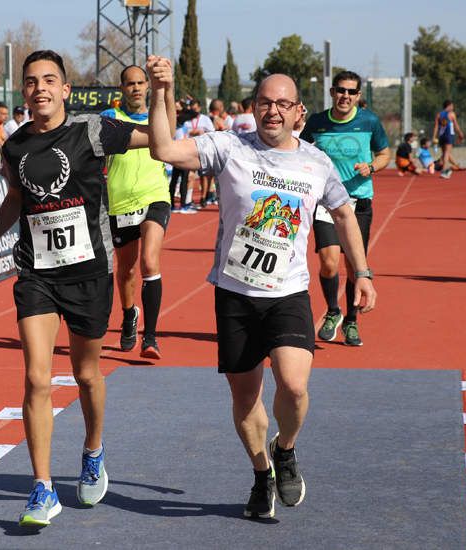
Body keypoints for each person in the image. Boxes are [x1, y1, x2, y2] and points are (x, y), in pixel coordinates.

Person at [146, 58, 376, 519]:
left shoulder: (316, 162)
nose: (273, 111)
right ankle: (261, 473)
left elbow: (346, 214)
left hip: (288, 292)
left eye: (282, 104)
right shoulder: (229, 146)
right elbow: (164, 151)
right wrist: (159, 91)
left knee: (293, 385)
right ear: (254, 108)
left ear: (299, 113)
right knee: (245, 398)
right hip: (234, 293)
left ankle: (285, 448)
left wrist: (363, 273)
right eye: (265, 102)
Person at [0, 49, 171, 528]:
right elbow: (15, 199)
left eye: (49, 80)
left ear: (65, 89)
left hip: (88, 272)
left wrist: (162, 93)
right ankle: (42, 488)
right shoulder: (15, 147)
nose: (40, 88)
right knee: (37, 378)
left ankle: (93, 449)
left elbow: (161, 143)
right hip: (36, 275)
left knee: (86, 376)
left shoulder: (93, 129)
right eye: (31, 81)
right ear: (23, 91)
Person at [301, 70, 389, 347]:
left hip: (357, 202)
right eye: (341, 90)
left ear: (358, 96)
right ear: (332, 92)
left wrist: (372, 166)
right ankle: (332, 311)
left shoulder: (369, 121)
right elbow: (299, 148)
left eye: (351, 92)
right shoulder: (317, 122)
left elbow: (385, 153)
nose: (345, 96)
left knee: (353, 267)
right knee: (328, 263)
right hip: (326, 202)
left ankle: (351, 320)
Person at [100, 65, 171, 358]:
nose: (137, 88)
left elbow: (170, 136)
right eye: (130, 84)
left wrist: (167, 85)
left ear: (147, 87)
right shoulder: (110, 119)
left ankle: (151, 338)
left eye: (141, 83)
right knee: (126, 271)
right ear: (122, 89)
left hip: (155, 196)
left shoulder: (160, 117)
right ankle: (130, 313)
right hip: (120, 202)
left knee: (149, 262)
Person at [184, 99, 215, 208]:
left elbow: (213, 132)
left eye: (196, 109)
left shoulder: (205, 119)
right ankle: (188, 200)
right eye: (192, 109)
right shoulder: (186, 119)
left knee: (204, 176)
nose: (194, 111)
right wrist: (190, 132)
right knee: (189, 176)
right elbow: (181, 131)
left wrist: (203, 132)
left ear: (200, 108)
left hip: (202, 150)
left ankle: (203, 197)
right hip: (189, 150)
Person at [432, 100, 464, 178]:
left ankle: (439, 165)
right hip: (449, 135)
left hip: (441, 136)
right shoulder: (451, 114)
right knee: (446, 152)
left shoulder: (438, 115)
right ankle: (444, 170)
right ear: (449, 106)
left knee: (445, 153)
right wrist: (460, 134)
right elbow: (456, 126)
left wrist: (434, 137)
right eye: (452, 106)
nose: (453, 108)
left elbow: (436, 127)